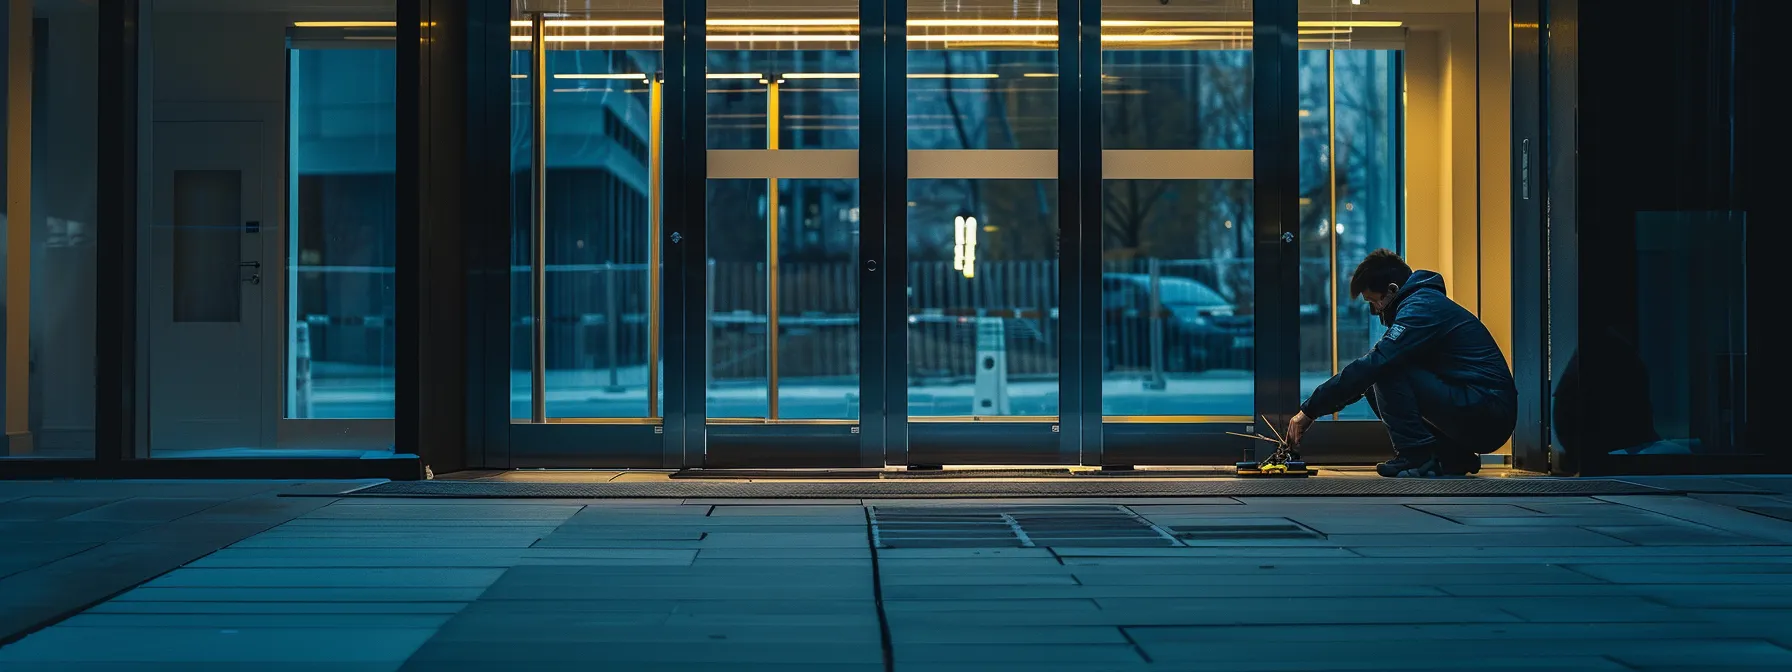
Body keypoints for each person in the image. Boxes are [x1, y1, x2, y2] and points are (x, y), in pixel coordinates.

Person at [1285, 250, 1516, 477]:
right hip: (1479, 406)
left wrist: (1309, 410)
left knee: (1384, 369)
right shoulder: (1421, 303)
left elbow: (1377, 364)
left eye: (1374, 302)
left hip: (1488, 412)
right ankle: (1450, 457)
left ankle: (1417, 457)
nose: (1375, 311)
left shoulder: (1422, 308)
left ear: (1393, 290)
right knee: (1375, 377)